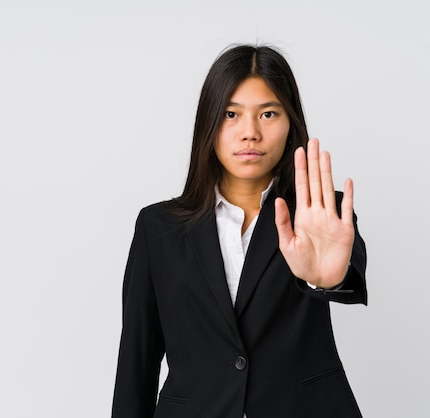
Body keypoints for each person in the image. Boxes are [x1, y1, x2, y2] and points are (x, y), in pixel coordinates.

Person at [112, 44, 368, 418]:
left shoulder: (320, 213)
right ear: (209, 122)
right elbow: (137, 361)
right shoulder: (158, 228)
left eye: (268, 113)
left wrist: (328, 280)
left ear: (290, 122)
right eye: (231, 114)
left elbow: (349, 274)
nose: (250, 133)